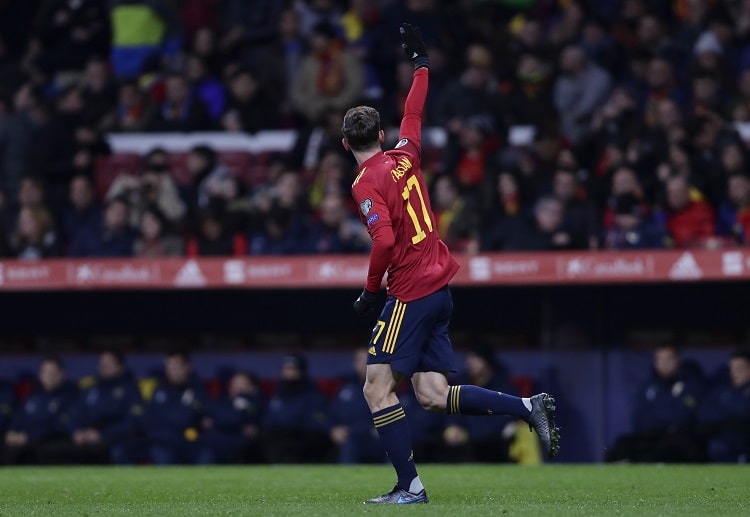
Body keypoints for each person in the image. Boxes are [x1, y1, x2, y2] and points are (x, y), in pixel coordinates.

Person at [342, 24, 559, 505]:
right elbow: (414, 111)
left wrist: (371, 290)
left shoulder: (362, 184)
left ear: (345, 146)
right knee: (433, 394)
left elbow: (383, 239)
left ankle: (410, 487)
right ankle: (527, 406)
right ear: (381, 134)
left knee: (376, 388)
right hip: (439, 287)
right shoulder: (405, 153)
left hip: (410, 291)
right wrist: (421, 64)